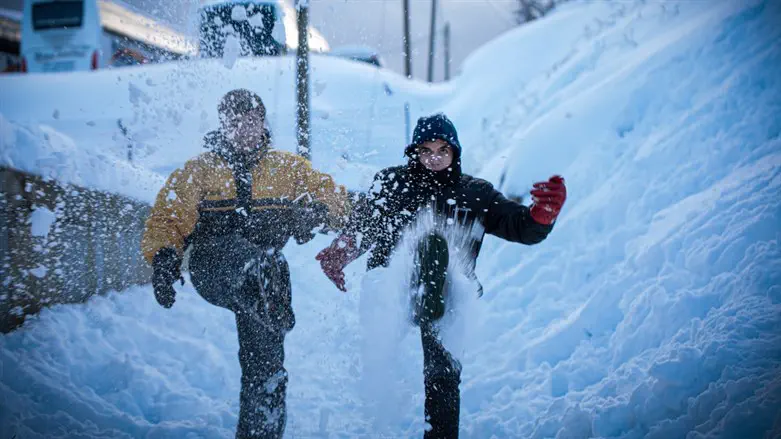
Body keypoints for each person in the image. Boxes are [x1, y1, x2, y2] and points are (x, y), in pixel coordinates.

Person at [315, 113, 567, 438]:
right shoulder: (393, 184)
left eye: (442, 151)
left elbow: (518, 226)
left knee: (444, 377)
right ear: (414, 153)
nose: (434, 158)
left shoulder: (475, 193)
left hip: (448, 297)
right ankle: (379, 410)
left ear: (454, 153)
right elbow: (366, 222)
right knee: (427, 247)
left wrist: (541, 216)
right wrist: (341, 251)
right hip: (394, 289)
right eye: (426, 151)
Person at [141, 89, 350, 439]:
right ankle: (276, 306)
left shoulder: (286, 168)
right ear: (223, 124)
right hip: (214, 268)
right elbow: (166, 218)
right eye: (234, 122)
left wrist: (316, 213)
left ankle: (260, 431)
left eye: (250, 121)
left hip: (262, 287)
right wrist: (164, 260)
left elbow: (334, 196)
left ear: (263, 123)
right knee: (261, 261)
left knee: (266, 368)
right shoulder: (200, 170)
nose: (243, 129)